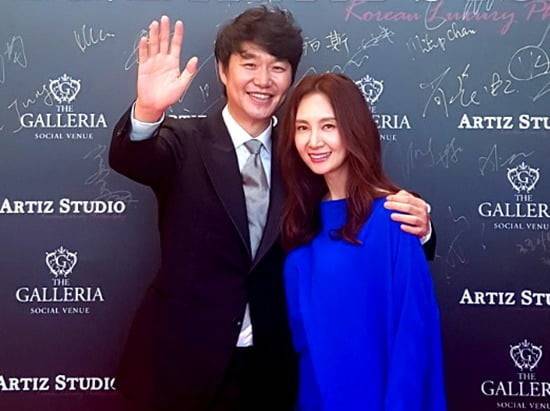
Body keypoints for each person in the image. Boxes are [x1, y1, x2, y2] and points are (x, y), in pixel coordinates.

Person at [109, 7, 435, 411]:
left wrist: (421, 229)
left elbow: (355, 210)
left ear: (290, 78)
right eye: (249, 64)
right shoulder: (183, 141)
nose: (263, 80)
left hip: (273, 371)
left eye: (277, 67)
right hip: (180, 365)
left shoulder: (305, 154)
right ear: (222, 71)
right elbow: (132, 158)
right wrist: (147, 112)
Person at [279, 73, 446, 411]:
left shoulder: (395, 217)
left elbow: (413, 341)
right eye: (302, 128)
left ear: (353, 129)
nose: (314, 141)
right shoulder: (301, 222)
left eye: (328, 126)